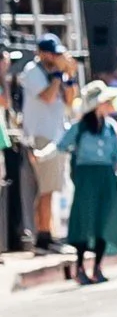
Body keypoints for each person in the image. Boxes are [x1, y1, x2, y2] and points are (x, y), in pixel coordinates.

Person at [61, 82, 117, 284]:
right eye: (105, 101)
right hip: (87, 178)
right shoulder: (80, 127)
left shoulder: (109, 128)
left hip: (107, 177)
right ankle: (80, 267)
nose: (109, 105)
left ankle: (97, 267)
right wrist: (41, 155)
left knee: (105, 220)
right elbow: (61, 145)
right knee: (85, 220)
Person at [18, 35, 74, 252]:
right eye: (51, 53)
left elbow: (70, 101)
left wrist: (69, 75)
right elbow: (48, 97)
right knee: (45, 189)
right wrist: (59, 74)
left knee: (51, 189)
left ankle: (47, 234)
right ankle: (42, 237)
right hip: (41, 136)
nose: (54, 57)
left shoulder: (55, 74)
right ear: (40, 53)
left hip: (56, 137)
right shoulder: (33, 71)